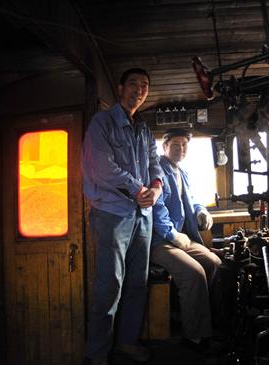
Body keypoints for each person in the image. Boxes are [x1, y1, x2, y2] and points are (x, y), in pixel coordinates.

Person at [82, 68, 163, 365]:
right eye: (133, 84)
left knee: (136, 284)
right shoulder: (101, 123)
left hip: (143, 214)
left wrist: (155, 189)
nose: (139, 90)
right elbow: (102, 168)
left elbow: (156, 165)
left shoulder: (144, 130)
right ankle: (97, 354)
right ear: (120, 88)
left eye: (144, 85)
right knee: (109, 286)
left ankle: (126, 343)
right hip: (112, 214)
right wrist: (138, 188)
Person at [151, 128, 221, 353]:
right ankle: (195, 338)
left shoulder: (183, 173)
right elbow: (157, 208)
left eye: (184, 145)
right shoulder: (158, 169)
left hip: (182, 238)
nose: (180, 149)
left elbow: (191, 199)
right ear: (165, 146)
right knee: (194, 274)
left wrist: (202, 211)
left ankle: (197, 317)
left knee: (215, 264)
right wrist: (172, 235)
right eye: (175, 144)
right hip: (160, 240)